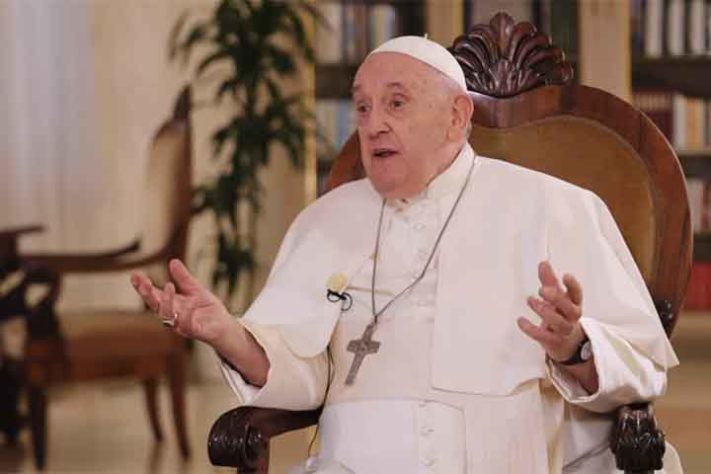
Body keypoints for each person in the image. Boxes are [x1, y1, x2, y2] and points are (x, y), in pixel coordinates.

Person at [131, 36, 680, 473]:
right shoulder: (325, 221)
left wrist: (575, 346)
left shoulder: (557, 208)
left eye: (396, 102)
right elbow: (303, 374)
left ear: (457, 117)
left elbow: (642, 367)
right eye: (363, 107)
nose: (373, 124)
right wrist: (229, 333)